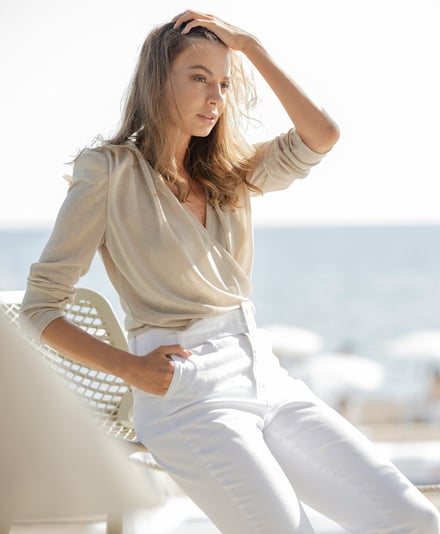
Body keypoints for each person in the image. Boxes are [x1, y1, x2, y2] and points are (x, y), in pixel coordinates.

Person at [20, 10, 440, 533]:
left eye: (223, 83)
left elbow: (322, 135)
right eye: (198, 78)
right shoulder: (109, 172)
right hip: (186, 392)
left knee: (411, 517)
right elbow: (39, 308)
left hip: (265, 373)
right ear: (157, 82)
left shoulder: (231, 174)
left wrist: (252, 48)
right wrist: (131, 370)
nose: (215, 97)